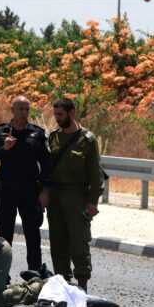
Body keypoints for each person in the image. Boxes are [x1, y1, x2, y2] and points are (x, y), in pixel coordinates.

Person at [0, 96, 52, 275]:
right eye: (20, 109)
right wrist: (4, 148)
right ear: (12, 110)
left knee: (33, 235)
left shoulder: (37, 133)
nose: (24, 113)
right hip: (6, 191)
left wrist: (45, 190)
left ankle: (34, 276)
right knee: (4, 237)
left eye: (27, 109)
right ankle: (1, 277)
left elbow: (47, 165)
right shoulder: (1, 133)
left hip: (30, 191)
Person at [47, 98, 105, 292]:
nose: (57, 118)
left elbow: (96, 176)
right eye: (55, 114)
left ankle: (82, 286)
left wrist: (92, 203)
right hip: (55, 197)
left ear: (72, 113)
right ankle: (63, 285)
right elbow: (46, 169)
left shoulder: (87, 140)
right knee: (57, 243)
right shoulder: (53, 137)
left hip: (77, 197)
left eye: (60, 114)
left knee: (78, 242)